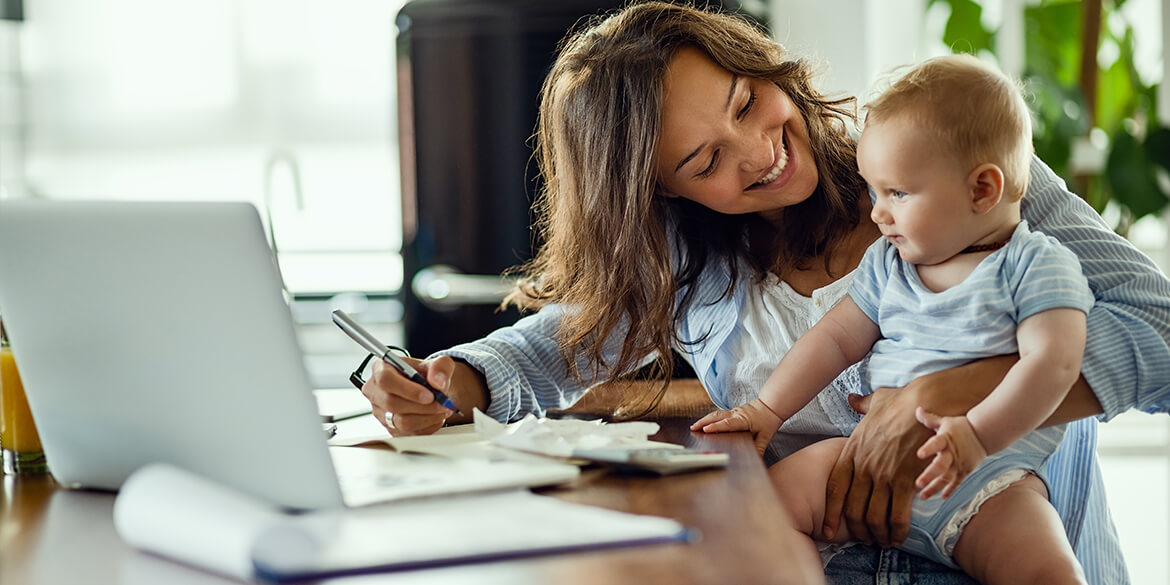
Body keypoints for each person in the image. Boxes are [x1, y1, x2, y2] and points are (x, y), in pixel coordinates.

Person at [358, 2, 1170, 583]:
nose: (758, 153)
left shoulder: (959, 172)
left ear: (760, 64)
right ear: (666, 196)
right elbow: (553, 345)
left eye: (747, 102)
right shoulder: (690, 257)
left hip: (1008, 550)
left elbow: (1161, 335)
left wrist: (950, 389)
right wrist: (449, 380)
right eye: (705, 162)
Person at [694, 54, 1091, 584]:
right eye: (874, 190)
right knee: (759, 510)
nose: (877, 213)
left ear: (982, 190)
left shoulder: (1035, 266)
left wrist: (975, 434)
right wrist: (767, 409)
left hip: (991, 480)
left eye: (897, 193)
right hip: (863, 459)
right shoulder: (890, 262)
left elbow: (1055, 365)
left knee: (1049, 569)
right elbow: (834, 339)